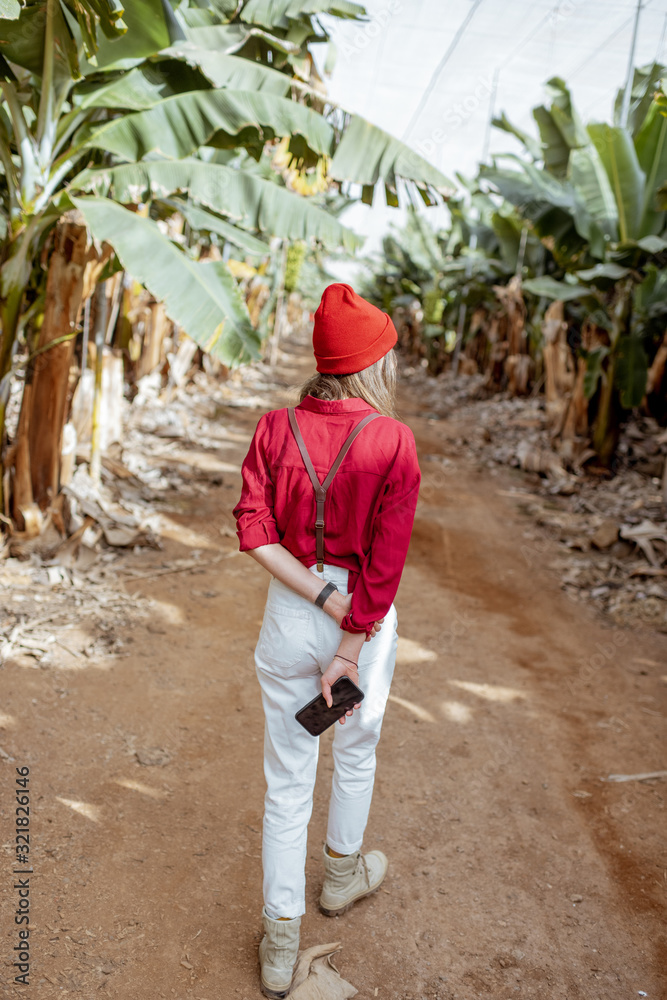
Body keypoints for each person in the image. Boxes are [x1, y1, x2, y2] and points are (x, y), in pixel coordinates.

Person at [233, 282, 421, 998]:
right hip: (361, 622)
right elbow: (386, 562)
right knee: (356, 748)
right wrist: (348, 643)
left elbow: (253, 531)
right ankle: (340, 876)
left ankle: (280, 941)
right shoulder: (392, 440)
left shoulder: (272, 429)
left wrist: (312, 592)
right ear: (369, 365)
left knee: (287, 780)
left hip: (289, 610)